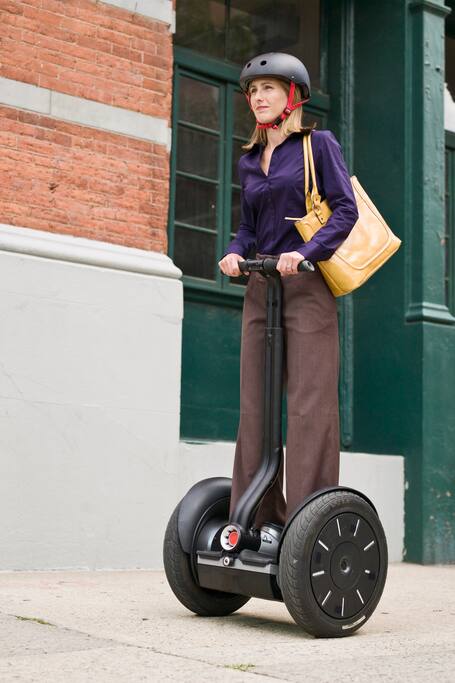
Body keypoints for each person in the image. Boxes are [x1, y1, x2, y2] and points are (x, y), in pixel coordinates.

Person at [218, 52, 359, 530]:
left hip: (307, 287)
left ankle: (306, 523)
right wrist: (234, 253)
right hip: (262, 285)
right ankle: (255, 521)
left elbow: (345, 210)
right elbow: (247, 227)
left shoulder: (318, 145)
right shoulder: (248, 161)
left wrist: (306, 252)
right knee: (255, 406)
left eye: (268, 89)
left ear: (292, 96)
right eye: (252, 91)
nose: (257, 97)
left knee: (308, 406)